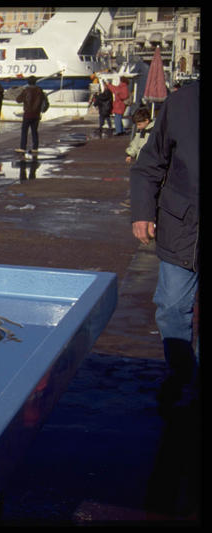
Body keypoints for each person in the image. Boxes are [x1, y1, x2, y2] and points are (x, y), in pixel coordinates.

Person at [130, 81, 199, 414]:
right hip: (181, 225)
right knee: (172, 307)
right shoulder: (182, 102)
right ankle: (182, 371)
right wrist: (143, 213)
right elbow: (148, 165)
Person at [15, 76, 47, 153]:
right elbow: (45, 101)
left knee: (24, 131)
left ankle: (23, 148)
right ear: (36, 82)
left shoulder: (26, 90)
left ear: (28, 82)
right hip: (36, 114)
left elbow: (18, 100)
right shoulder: (40, 90)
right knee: (34, 131)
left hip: (27, 114)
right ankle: (35, 148)